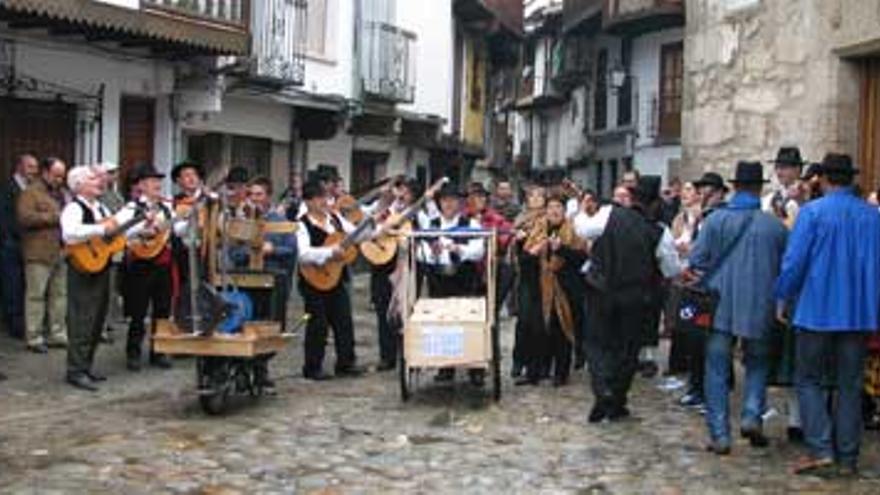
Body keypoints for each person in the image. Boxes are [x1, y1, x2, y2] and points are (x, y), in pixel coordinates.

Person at [775, 153, 880, 477]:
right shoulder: (872, 216)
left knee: (809, 379)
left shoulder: (813, 213)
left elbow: (795, 262)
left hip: (817, 309)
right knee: (849, 385)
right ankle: (847, 455)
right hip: (858, 311)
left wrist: (782, 295)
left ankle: (821, 447)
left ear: (824, 179)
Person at [688, 161, 788, 456]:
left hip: (719, 304)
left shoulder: (716, 221)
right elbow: (787, 267)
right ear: (760, 188)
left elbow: (698, 260)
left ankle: (720, 434)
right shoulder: (775, 227)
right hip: (760, 304)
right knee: (758, 363)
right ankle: (751, 414)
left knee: (717, 368)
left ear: (734, 187)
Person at [575, 183, 678, 423]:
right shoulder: (658, 231)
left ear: (631, 199)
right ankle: (617, 400)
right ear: (653, 204)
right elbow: (670, 268)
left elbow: (582, 230)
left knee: (597, 344)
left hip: (601, 290)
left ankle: (603, 391)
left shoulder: (609, 215)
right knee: (627, 350)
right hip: (637, 296)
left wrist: (581, 210)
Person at [61, 166, 137, 391]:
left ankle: (86, 366)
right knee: (81, 319)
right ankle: (75, 370)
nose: (99, 182)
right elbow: (70, 233)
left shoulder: (102, 207)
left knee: (97, 319)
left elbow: (113, 232)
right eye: (92, 179)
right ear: (79, 185)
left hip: (102, 265)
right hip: (82, 267)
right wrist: (100, 229)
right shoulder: (73, 207)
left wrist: (136, 227)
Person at [418, 183, 486, 385]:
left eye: (453, 200)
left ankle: (475, 366)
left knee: (468, 321)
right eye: (444, 200)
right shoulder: (431, 225)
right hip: (438, 277)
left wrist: (458, 249)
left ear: (460, 203)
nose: (448, 204)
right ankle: (445, 366)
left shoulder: (471, 224)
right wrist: (434, 252)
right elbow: (422, 250)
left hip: (463, 276)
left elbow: (478, 250)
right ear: (439, 203)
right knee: (442, 321)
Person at [296, 179, 364, 380]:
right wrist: (329, 253)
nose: (324, 202)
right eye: (319, 198)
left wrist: (373, 227)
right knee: (318, 323)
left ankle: (346, 363)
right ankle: (312, 367)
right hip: (313, 279)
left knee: (344, 319)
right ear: (308, 202)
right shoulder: (301, 224)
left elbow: (356, 234)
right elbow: (303, 254)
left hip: (337, 276)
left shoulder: (335, 219)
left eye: (325, 197)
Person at [518, 193, 587, 386]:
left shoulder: (573, 231)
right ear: (545, 211)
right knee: (538, 331)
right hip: (539, 288)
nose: (554, 211)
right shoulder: (537, 231)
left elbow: (582, 258)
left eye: (558, 207)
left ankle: (561, 373)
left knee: (561, 332)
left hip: (565, 290)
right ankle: (536, 372)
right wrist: (533, 252)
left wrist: (561, 249)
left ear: (564, 211)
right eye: (550, 207)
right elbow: (524, 262)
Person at [676, 171, 730, 411]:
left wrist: (693, 255)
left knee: (708, 341)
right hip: (697, 285)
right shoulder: (702, 217)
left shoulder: (718, 217)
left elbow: (704, 252)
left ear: (719, 193)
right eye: (701, 189)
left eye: (708, 189)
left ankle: (708, 391)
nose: (702, 193)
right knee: (695, 339)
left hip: (711, 286)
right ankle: (697, 387)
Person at [121, 163, 179, 372]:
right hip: (141, 264)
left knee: (162, 311)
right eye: (152, 181)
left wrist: (188, 218)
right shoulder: (131, 207)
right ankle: (133, 353)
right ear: (142, 185)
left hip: (163, 265)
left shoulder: (167, 207)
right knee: (138, 311)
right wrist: (142, 230)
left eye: (158, 181)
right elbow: (122, 233)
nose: (157, 185)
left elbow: (177, 230)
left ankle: (159, 351)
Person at [16, 157, 69, 353]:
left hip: (60, 250)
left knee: (59, 295)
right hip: (38, 252)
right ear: (45, 172)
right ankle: (34, 337)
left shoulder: (62, 193)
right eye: (56, 175)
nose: (59, 180)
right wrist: (55, 217)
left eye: (62, 176)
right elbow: (24, 218)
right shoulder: (30, 193)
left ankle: (57, 334)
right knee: (36, 296)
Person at [230, 176, 297, 322]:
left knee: (271, 327)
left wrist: (273, 250)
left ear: (268, 196)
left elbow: (291, 249)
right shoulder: (241, 223)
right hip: (245, 282)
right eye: (251, 194)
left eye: (259, 194)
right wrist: (252, 250)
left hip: (273, 284)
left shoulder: (280, 221)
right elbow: (233, 253)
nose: (254, 198)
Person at [511, 183, 547, 379]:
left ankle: (539, 363)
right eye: (532, 197)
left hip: (544, 273)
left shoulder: (547, 220)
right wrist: (518, 240)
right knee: (524, 319)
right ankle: (519, 360)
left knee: (540, 321)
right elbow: (513, 248)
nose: (535, 200)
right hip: (525, 273)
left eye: (539, 197)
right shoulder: (520, 220)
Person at [0, 153, 38, 339]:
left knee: (25, 284)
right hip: (11, 243)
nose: (34, 171)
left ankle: (21, 323)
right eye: (30, 167)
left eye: (35, 167)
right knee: (12, 285)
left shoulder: (32, 190)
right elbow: (6, 218)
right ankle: (14, 325)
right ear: (19, 167)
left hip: (29, 244)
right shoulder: (9, 188)